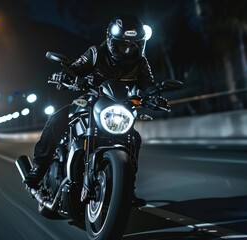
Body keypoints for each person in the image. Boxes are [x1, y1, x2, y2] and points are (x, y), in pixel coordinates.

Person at [24, 14, 168, 207]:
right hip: (91, 100)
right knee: (58, 119)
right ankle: (38, 169)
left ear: (140, 45)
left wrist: (154, 95)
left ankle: (126, 188)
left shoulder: (141, 63)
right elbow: (77, 67)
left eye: (132, 45)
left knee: (134, 138)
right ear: (110, 41)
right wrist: (66, 75)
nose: (127, 49)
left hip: (118, 107)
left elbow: (148, 84)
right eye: (122, 44)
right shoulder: (96, 53)